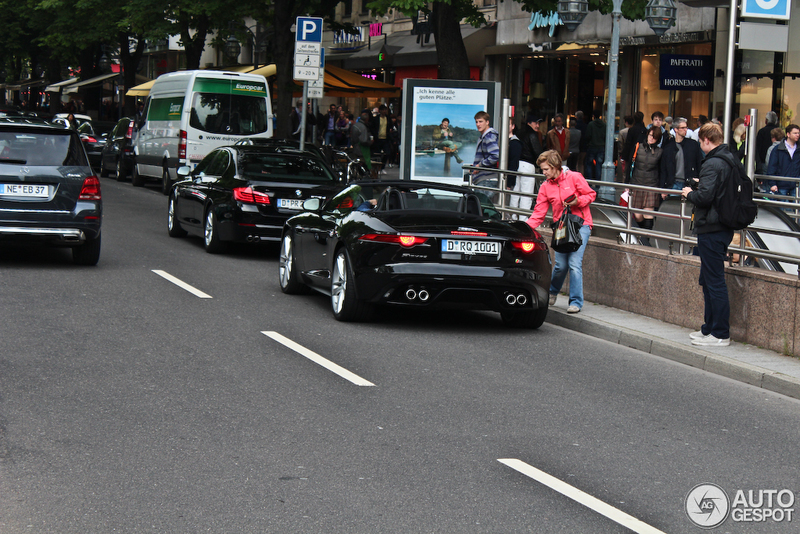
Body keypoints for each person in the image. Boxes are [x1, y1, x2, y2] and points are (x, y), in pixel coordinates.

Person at [681, 122, 739, 347]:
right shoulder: (728, 159)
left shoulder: (713, 163)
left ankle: (720, 333)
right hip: (720, 226)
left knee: (713, 281)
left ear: (706, 140)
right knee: (708, 279)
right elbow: (716, 190)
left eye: (700, 141)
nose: (699, 145)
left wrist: (689, 193)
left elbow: (704, 198)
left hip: (712, 227)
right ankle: (709, 329)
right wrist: (701, 185)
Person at [525, 150, 596, 314]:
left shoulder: (574, 177)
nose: (543, 173)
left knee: (574, 264)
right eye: (542, 170)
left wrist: (578, 201)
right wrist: (525, 228)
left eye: (545, 169)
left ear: (555, 166)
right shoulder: (545, 186)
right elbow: (538, 213)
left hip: (581, 225)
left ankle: (576, 302)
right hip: (562, 227)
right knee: (560, 265)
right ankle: (552, 291)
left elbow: (591, 195)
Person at [627, 126, 663, 246]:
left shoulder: (659, 152)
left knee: (648, 215)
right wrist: (627, 183)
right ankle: (641, 235)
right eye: (650, 135)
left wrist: (662, 188)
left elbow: (661, 171)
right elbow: (630, 165)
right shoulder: (638, 147)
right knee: (637, 215)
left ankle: (645, 241)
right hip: (636, 183)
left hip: (651, 185)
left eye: (654, 137)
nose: (651, 138)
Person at [660, 117, 703, 194]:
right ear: (675, 129)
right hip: (673, 183)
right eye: (682, 128)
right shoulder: (668, 147)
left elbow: (699, 164)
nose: (685, 130)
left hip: (690, 183)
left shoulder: (693, 145)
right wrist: (663, 188)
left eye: (686, 127)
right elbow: (664, 169)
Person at [516, 113, 545, 214]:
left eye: (538, 123)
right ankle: (523, 219)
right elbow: (538, 152)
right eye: (535, 123)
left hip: (516, 164)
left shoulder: (519, 132)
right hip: (528, 165)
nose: (537, 125)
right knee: (526, 195)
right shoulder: (532, 134)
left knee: (515, 193)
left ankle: (512, 217)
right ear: (529, 123)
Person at [765, 123, 800, 199]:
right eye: (795, 133)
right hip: (782, 184)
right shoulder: (777, 149)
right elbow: (772, 166)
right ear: (788, 134)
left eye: (798, 133)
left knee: (796, 208)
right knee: (783, 209)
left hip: (796, 185)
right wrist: (772, 184)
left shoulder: (798, 149)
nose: (797, 135)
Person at [471, 111, 500, 194]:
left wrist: (479, 165)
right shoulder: (485, 136)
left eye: (481, 121)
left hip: (486, 179)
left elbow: (495, 155)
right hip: (486, 179)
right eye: (476, 122)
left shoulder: (488, 137)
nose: (478, 124)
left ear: (487, 122)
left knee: (481, 205)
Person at [621, 111, 647, 182]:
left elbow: (628, 144)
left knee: (629, 171)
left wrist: (624, 157)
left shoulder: (632, 130)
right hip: (642, 153)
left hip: (632, 153)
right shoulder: (644, 130)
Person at [505, 119, 523, 217]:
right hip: (500, 177)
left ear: (513, 126)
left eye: (508, 124)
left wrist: (510, 181)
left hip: (508, 178)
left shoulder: (515, 143)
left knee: (507, 204)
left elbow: (513, 163)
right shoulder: (502, 141)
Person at [583, 109, 606, 183]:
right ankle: (597, 183)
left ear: (593, 116)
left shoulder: (591, 124)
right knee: (598, 165)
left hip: (592, 146)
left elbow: (588, 136)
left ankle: (589, 182)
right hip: (601, 146)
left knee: (589, 164)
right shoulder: (604, 125)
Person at [371, 104, 391, 174]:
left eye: (385, 110)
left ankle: (382, 167)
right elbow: (373, 128)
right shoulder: (376, 119)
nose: (384, 111)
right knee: (377, 154)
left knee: (387, 153)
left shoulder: (388, 118)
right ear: (380, 111)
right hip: (378, 138)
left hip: (385, 138)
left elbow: (390, 127)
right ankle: (378, 168)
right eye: (383, 110)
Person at [617, 115, 634, 182]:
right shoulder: (634, 130)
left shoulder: (622, 132)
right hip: (632, 153)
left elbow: (620, 143)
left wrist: (620, 153)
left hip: (624, 153)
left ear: (626, 122)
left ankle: (625, 187)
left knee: (625, 172)